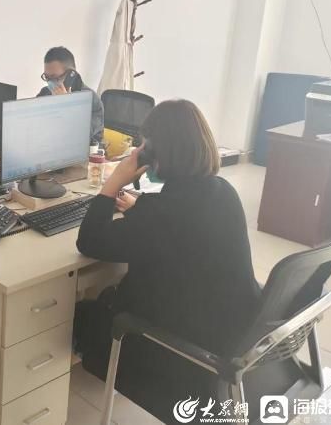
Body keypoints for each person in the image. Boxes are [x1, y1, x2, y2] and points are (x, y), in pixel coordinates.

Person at [76, 99, 260, 423]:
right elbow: (179, 222)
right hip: (229, 337)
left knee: (78, 314)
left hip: (177, 353)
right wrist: (141, 206)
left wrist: (113, 183)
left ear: (160, 154)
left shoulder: (160, 217)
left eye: (146, 147)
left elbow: (89, 241)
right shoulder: (223, 191)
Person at [37, 46, 104, 144]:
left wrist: (66, 106)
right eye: (47, 78)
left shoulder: (91, 100)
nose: (50, 82)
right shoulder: (45, 93)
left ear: (71, 75)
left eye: (54, 77)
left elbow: (81, 134)